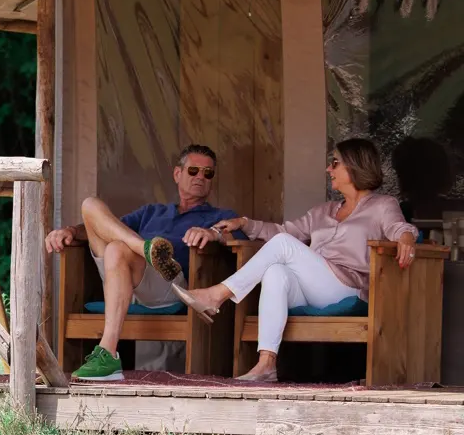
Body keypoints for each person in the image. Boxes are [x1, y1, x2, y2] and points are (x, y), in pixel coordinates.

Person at [173, 138, 418, 382]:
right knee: (275, 271)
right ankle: (266, 364)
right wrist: (244, 223)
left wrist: (406, 238)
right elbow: (283, 231)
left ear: (355, 165)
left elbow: (399, 228)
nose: (328, 169)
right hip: (315, 287)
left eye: (335, 163)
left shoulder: (382, 205)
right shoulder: (323, 211)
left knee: (282, 245)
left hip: (348, 285)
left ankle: (217, 295)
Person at [45, 144, 242, 382]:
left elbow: (240, 238)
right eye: (193, 170)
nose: (201, 176)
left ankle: (107, 352)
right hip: (120, 274)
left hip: (166, 284)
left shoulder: (218, 216)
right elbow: (105, 226)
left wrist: (214, 234)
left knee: (117, 247)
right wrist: (70, 231)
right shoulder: (152, 212)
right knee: (90, 205)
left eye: (208, 173)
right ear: (177, 174)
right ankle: (145, 249)